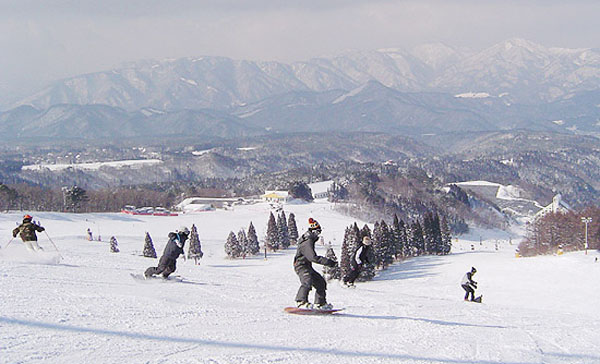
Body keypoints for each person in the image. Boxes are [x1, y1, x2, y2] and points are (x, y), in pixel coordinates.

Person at [293, 218, 336, 310]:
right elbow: (312, 257)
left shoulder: (309, 240)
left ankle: (320, 303)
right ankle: (301, 301)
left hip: (307, 266)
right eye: (318, 232)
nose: (319, 234)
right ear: (313, 231)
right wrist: (328, 262)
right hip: (301, 266)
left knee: (320, 282)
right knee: (307, 280)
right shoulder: (307, 242)